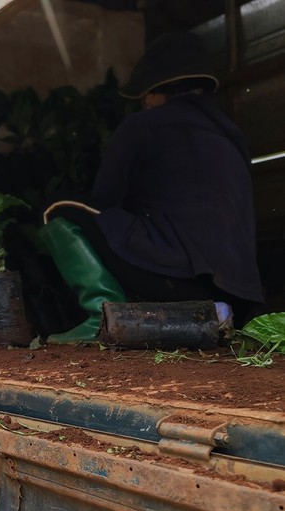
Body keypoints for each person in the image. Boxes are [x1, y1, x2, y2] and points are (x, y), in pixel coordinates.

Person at [39, 31, 264, 344]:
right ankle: (214, 314)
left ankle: (99, 317)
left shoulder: (141, 125)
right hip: (241, 293)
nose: (144, 103)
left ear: (157, 91)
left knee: (59, 208)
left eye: (145, 95)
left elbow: (106, 201)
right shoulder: (232, 137)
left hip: (174, 279)